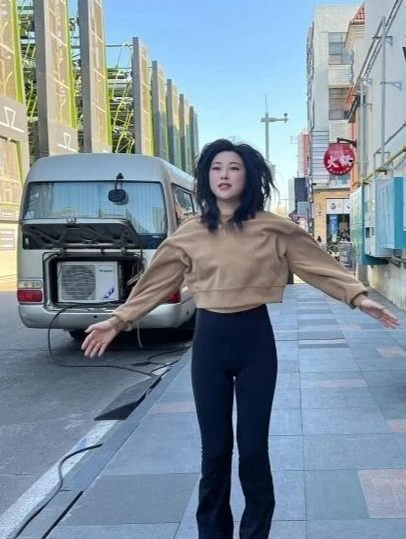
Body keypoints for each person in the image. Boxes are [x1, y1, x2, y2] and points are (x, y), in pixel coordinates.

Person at [82, 139, 399, 539]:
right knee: (215, 453)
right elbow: (156, 282)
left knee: (252, 451)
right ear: (206, 178)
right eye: (216, 168)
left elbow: (317, 264)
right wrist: (118, 320)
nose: (224, 175)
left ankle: (255, 533)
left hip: (255, 343)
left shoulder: (272, 228)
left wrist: (358, 296)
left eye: (233, 168)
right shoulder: (190, 233)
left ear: (248, 176)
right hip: (210, 344)